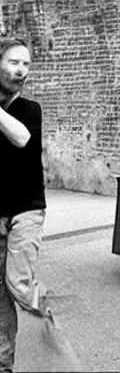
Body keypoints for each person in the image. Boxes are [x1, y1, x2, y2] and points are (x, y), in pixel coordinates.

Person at [0, 37, 53, 373]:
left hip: (26, 209)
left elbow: (21, 139)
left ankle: (48, 315)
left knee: (18, 284)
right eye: (13, 63)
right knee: (0, 298)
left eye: (26, 64)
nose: (21, 71)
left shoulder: (29, 109)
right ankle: (3, 364)